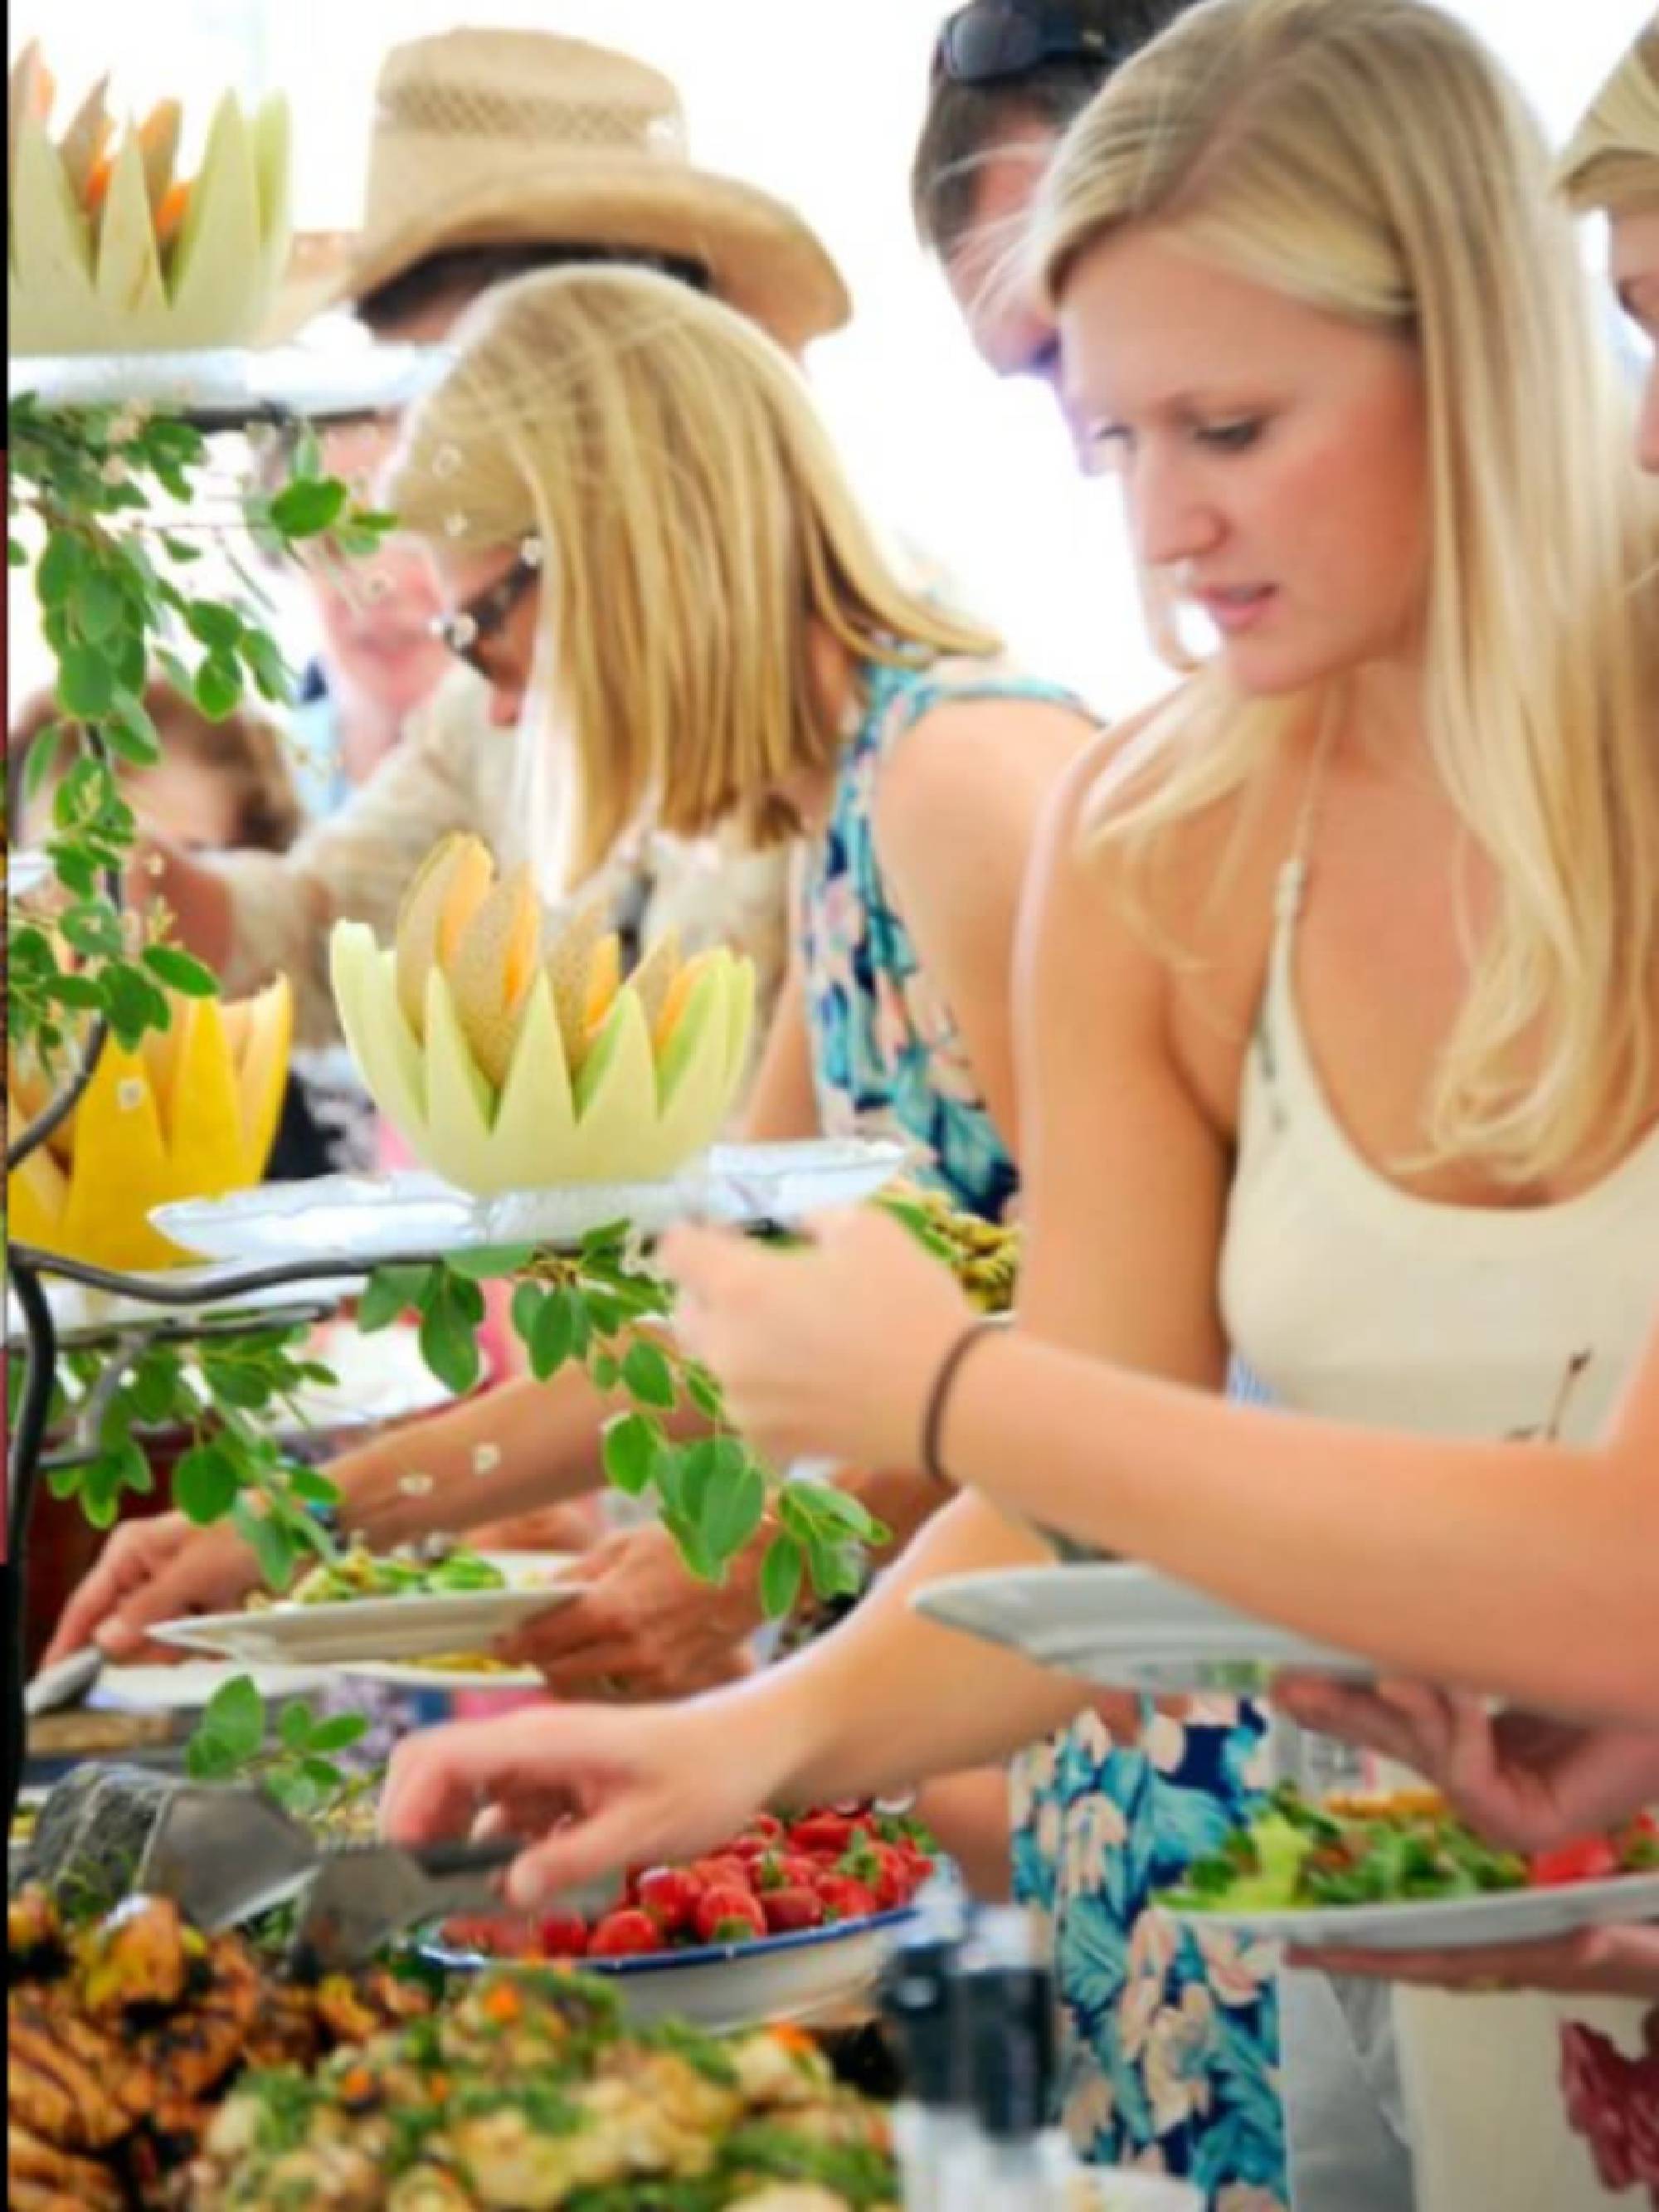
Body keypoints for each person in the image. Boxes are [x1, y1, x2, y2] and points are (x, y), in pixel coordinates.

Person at [377, 5, 1659, 2209]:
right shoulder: (1156, 841)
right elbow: (1079, 1512)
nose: (1167, 527)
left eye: (1232, 426)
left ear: (1477, 346)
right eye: (1111, 444)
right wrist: (740, 1744)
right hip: (1449, 1973)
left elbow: (1618, 1573)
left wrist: (950, 1389)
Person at [46, 261, 1090, 1670]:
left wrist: (757, 1558)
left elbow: (1105, 1330)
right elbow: (708, 1327)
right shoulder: (847, 818)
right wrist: (288, 1521)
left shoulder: (955, 777)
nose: (492, 700)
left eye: (481, 625)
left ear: (618, 545)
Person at [137, 27, 853, 1051]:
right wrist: (131, 884)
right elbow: (330, 934)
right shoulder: (488, 707)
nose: (417, 449)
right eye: (410, 394)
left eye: (452, 387)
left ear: (601, 368)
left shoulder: (857, 706)